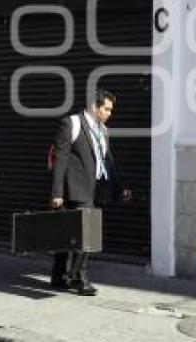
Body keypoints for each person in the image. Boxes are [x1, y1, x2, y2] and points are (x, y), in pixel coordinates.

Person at [50, 89, 130, 295]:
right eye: (106, 109)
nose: (109, 113)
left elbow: (108, 161)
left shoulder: (102, 130)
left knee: (69, 235)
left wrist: (120, 186)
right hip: (77, 189)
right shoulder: (72, 124)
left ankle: (59, 276)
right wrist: (56, 192)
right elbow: (60, 159)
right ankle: (79, 278)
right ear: (94, 107)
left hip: (97, 190)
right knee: (85, 235)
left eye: (111, 110)